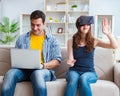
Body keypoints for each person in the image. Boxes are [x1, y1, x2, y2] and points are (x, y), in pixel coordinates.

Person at [1, 10, 62, 96]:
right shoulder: (21, 38)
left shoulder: (52, 40)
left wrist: (42, 65)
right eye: (32, 25)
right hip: (23, 71)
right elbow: (16, 58)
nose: (35, 28)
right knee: (10, 73)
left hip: (42, 71)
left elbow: (57, 61)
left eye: (38, 25)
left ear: (44, 23)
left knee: (37, 73)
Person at [64, 16, 118, 96]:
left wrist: (108, 34)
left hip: (89, 72)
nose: (85, 26)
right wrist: (70, 62)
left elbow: (114, 46)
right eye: (83, 24)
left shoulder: (94, 41)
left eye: (88, 24)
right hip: (74, 70)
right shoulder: (71, 41)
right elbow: (70, 59)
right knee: (73, 79)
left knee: (83, 79)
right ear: (78, 26)